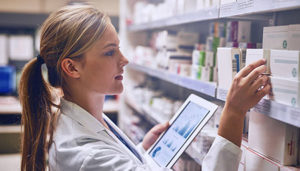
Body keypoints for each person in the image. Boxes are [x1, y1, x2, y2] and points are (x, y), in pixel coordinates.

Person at [18, 5, 271, 171]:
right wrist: (234, 114)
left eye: (118, 47)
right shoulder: (87, 155)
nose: (124, 59)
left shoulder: (86, 119)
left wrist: (140, 151)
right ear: (72, 68)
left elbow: (116, 160)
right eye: (109, 52)